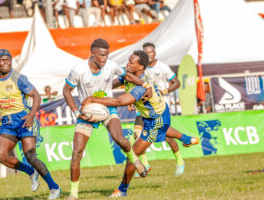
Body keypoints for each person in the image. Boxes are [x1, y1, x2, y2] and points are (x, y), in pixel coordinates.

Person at [81, 50, 199, 197]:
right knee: (163, 129)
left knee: (133, 155)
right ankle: (186, 138)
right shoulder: (132, 76)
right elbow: (112, 84)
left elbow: (118, 101)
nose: (127, 63)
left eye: (131, 62)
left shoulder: (141, 87)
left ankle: (122, 189)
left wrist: (93, 99)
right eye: (128, 60)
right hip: (156, 113)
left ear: (141, 66)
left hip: (156, 119)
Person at [63, 38, 152, 200]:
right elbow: (66, 91)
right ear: (93, 53)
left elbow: (129, 77)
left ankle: (135, 160)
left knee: (120, 138)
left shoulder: (111, 65)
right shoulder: (79, 69)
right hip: (87, 113)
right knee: (77, 152)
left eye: (107, 55)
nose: (105, 58)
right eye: (102, 55)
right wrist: (76, 112)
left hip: (108, 108)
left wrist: (146, 86)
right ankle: (73, 194)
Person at [0, 49, 61, 200]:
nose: (5, 63)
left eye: (8, 60)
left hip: (25, 120)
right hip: (7, 123)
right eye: (2, 60)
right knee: (0, 156)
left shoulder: (19, 78)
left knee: (30, 156)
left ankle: (54, 188)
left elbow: (36, 96)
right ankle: (30, 172)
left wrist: (31, 115)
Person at [131, 42, 185, 177]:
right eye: (146, 52)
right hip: (144, 105)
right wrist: (132, 100)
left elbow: (177, 82)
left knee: (166, 136)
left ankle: (179, 160)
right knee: (137, 133)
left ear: (155, 53)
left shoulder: (163, 67)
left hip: (160, 106)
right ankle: (145, 165)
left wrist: (165, 90)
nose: (149, 55)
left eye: (151, 52)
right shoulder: (140, 68)